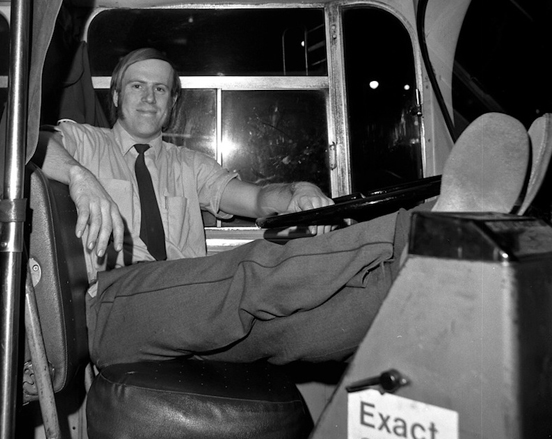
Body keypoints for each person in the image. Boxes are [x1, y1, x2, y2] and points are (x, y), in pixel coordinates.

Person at [38, 47, 532, 368]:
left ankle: (427, 284)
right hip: (116, 309)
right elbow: (25, 144)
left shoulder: (188, 163)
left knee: (316, 329)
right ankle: (425, 230)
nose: (149, 97)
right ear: (116, 95)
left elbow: (257, 199)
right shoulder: (84, 142)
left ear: (172, 104)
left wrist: (299, 189)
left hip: (193, 313)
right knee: (250, 272)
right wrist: (81, 178)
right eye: (137, 86)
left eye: (161, 89)